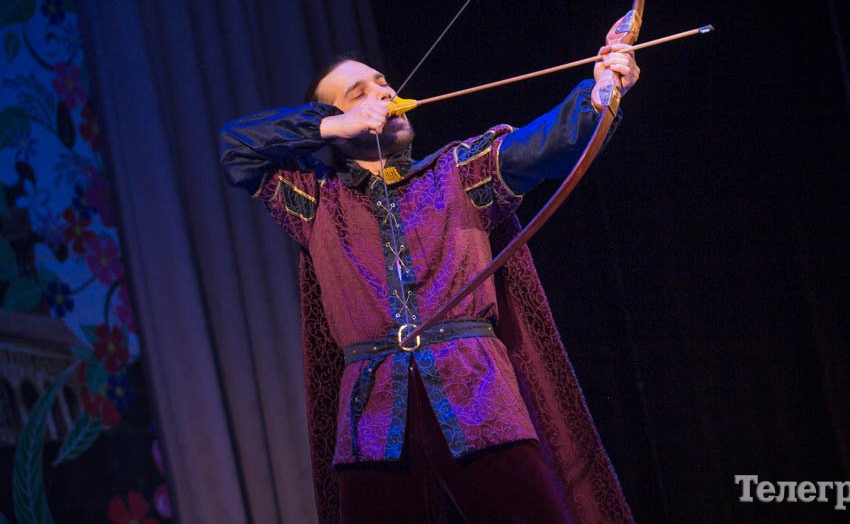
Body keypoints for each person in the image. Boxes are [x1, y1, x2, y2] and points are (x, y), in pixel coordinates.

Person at [219, 38, 640, 523]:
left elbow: (547, 144)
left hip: (479, 398)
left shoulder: (461, 171)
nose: (384, 93)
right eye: (359, 94)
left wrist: (600, 93)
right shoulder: (315, 199)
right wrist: (330, 125)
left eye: (382, 84)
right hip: (372, 418)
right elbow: (237, 148)